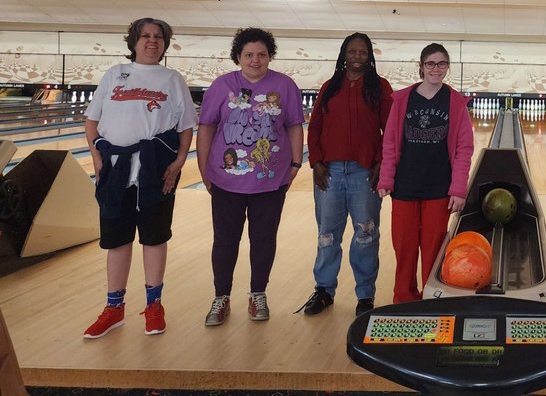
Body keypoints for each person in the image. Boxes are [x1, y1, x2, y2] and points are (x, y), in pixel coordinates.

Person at [83, 18, 197, 338]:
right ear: (133, 41)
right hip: (116, 170)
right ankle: (114, 309)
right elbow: (92, 121)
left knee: (154, 237)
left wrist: (177, 164)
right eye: (145, 36)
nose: (152, 41)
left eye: (158, 36)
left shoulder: (173, 79)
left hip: (155, 169)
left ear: (165, 43)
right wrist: (96, 156)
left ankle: (153, 306)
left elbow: (186, 127)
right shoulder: (113, 74)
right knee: (117, 241)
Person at [196, 27, 304, 326]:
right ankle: (221, 297)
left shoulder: (285, 85)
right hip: (226, 180)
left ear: (269, 56)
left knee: (264, 240)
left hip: (271, 179)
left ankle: (258, 294)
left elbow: (295, 125)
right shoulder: (221, 85)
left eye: (262, 55)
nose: (256, 60)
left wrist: (295, 164)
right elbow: (206, 127)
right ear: (238, 57)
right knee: (225, 241)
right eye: (249, 55)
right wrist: (204, 169)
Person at [298, 33, 393, 317]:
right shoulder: (330, 87)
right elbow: (314, 128)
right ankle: (324, 290)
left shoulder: (380, 87)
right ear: (343, 54)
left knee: (366, 235)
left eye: (363, 52)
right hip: (331, 172)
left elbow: (390, 131)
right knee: (327, 235)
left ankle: (365, 296)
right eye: (352, 51)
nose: (357, 56)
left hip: (364, 172)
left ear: (369, 56)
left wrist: (380, 163)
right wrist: (315, 162)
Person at [377, 43, 474, 304]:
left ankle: (432, 298)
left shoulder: (455, 102)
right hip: (405, 186)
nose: (436, 68)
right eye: (431, 63)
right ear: (421, 66)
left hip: (438, 187)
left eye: (442, 63)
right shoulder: (402, 99)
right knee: (405, 247)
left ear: (448, 67)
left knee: (433, 249)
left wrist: (458, 189)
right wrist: (386, 178)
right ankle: (404, 299)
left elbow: (464, 149)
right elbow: (390, 143)